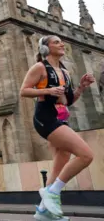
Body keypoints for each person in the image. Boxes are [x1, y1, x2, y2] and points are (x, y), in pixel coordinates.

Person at [20, 35, 95, 221]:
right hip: (45, 117)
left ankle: (43, 211)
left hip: (61, 118)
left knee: (60, 162)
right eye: (56, 42)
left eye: (61, 42)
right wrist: (48, 91)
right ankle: (52, 192)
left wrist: (81, 88)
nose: (62, 44)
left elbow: (68, 100)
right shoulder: (40, 67)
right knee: (86, 155)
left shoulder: (65, 72)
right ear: (45, 48)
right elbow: (24, 90)